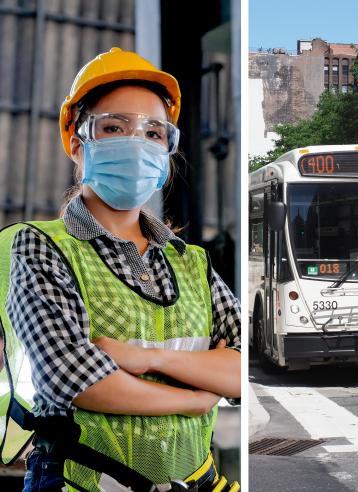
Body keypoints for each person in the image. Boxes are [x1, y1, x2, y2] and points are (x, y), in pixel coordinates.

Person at [1, 48, 240, 491]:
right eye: (114, 127)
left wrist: (148, 358)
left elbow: (240, 369)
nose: (136, 142)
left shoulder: (189, 261)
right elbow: (78, 379)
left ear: (167, 151)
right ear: (77, 142)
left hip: (197, 480)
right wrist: (195, 398)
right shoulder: (41, 247)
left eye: (153, 132)